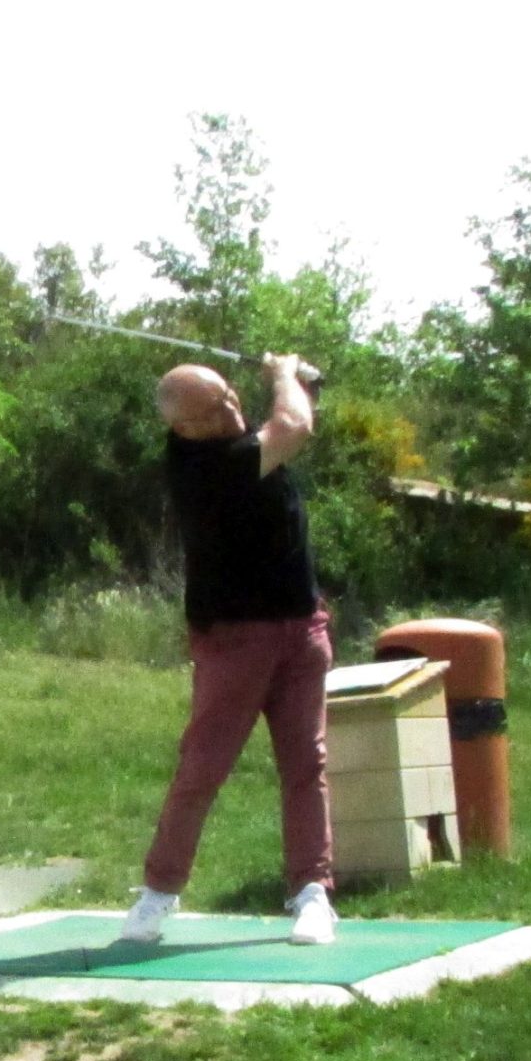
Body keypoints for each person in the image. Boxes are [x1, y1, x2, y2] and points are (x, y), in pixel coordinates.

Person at [119, 354, 337, 947]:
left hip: (302, 628)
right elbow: (294, 425)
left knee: (307, 764)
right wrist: (284, 372)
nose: (233, 408)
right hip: (235, 641)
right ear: (185, 427)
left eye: (230, 395)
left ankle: (312, 893)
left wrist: (302, 385)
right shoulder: (206, 465)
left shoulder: (242, 444)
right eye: (216, 408)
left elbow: (293, 421)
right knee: (202, 769)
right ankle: (159, 892)